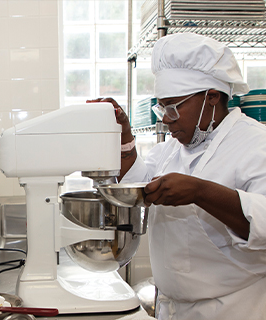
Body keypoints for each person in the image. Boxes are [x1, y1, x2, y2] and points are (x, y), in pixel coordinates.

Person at [87, 32, 266, 320]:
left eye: (173, 106)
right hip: (172, 308)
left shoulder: (256, 144)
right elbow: (139, 184)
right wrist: (124, 137)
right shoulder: (172, 149)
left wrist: (200, 192)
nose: (165, 118)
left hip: (234, 309)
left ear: (212, 97)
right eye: (161, 107)